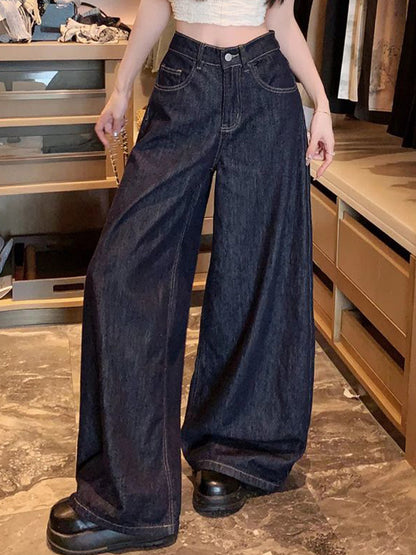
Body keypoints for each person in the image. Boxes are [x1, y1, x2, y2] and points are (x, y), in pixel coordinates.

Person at [46, 0, 335, 553]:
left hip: (266, 87)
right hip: (185, 81)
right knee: (121, 270)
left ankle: (234, 450)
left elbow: (280, 16)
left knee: (255, 272)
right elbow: (157, 3)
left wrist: (320, 103)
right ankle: (130, 495)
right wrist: (120, 88)